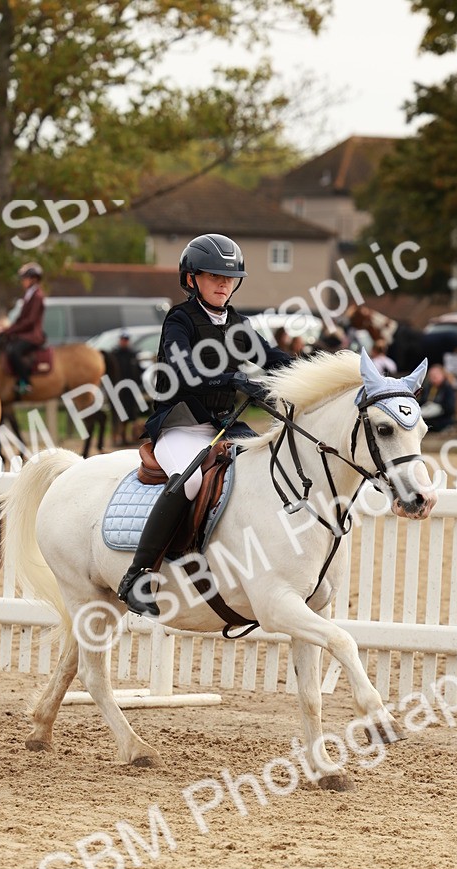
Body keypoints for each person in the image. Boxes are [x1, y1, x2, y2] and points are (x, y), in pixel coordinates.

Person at [117, 232, 292, 617]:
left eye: (229, 278)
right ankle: (139, 574)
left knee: (263, 471)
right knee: (192, 480)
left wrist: (314, 370)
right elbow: (185, 368)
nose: (223, 284)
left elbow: (271, 357)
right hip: (179, 425)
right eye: (214, 276)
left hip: (224, 428)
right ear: (192, 279)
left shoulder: (238, 323)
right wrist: (232, 380)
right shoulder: (179, 320)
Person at [1, 262, 46, 394]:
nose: (23, 281)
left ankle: (25, 382)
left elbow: (30, 321)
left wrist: (10, 330)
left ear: (34, 279)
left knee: (14, 351)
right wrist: (7, 330)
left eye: (25, 278)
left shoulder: (37, 296)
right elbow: (21, 318)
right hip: (25, 333)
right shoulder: (29, 295)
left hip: (33, 335)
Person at [111, 332, 145, 446]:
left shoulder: (132, 354)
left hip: (130, 389)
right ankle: (116, 438)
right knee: (118, 414)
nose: (124, 341)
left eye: (126, 340)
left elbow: (139, 371)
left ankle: (128, 437)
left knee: (131, 414)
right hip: (118, 389)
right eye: (122, 339)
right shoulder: (115, 355)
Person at [419, 363, 456, 433]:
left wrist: (438, 408)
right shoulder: (428, 388)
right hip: (427, 418)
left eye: (435, 375)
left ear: (443, 375)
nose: (433, 378)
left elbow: (450, 408)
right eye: (431, 376)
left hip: (442, 420)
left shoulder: (447, 388)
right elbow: (421, 402)